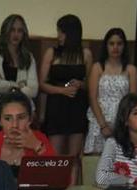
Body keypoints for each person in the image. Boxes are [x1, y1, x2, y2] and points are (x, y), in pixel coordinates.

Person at [38, 14, 91, 161]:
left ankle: (73, 184)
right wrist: (62, 90)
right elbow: (42, 84)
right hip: (57, 106)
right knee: (55, 156)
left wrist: (80, 84)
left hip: (77, 107)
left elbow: (91, 84)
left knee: (74, 158)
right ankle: (56, 184)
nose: (59, 36)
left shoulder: (85, 54)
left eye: (61, 32)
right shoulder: (52, 52)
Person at [84, 27, 137, 155]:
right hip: (99, 120)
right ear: (106, 46)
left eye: (119, 44)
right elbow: (92, 98)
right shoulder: (98, 67)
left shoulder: (131, 69)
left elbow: (133, 101)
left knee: (121, 160)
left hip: (123, 120)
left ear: (124, 46)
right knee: (95, 161)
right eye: (111, 44)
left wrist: (122, 124)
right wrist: (103, 125)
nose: (115, 47)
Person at [0, 14, 38, 116]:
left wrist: (5, 85)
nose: (16, 34)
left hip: (23, 106)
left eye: (20, 31)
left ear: (24, 34)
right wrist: (18, 86)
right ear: (6, 32)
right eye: (12, 30)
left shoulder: (29, 57)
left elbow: (34, 90)